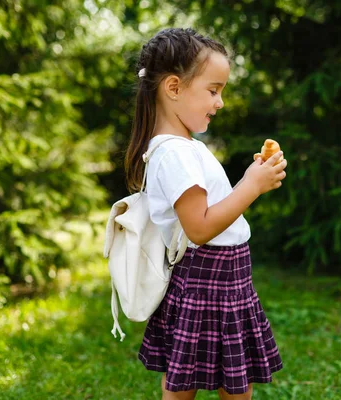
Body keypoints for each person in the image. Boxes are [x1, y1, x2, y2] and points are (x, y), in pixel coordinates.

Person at [124, 27, 286, 400]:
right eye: (213, 90)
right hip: (207, 280)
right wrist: (251, 185)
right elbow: (199, 228)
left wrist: (252, 179)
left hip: (223, 280)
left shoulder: (182, 147)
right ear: (174, 88)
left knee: (207, 380)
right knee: (207, 385)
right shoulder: (176, 153)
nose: (220, 102)